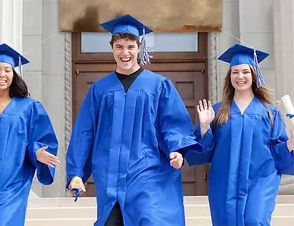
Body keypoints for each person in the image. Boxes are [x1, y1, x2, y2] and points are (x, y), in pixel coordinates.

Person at [66, 14, 204, 226]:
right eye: (119, 46)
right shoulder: (100, 90)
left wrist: (177, 149)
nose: (125, 53)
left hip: (148, 172)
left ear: (140, 48)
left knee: (150, 219)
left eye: (130, 46)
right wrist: (76, 173)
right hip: (110, 177)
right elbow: (85, 132)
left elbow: (173, 123)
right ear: (112, 48)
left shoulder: (159, 86)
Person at [185, 43, 294, 226]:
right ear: (229, 77)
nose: (240, 76)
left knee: (254, 220)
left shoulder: (269, 112)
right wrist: (204, 127)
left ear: (254, 74)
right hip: (225, 180)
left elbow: (278, 151)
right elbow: (203, 153)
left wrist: (292, 142)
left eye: (245, 71)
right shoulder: (218, 112)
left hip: (261, 178)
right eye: (235, 72)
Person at [0, 43, 59, 226]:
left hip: (12, 184)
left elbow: (40, 139)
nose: (2, 75)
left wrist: (36, 152)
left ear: (14, 74)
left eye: (7, 70)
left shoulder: (29, 107)